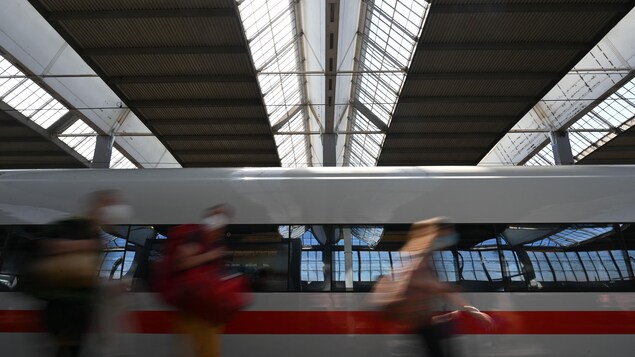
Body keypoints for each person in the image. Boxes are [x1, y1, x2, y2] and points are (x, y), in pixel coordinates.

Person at [30, 190, 132, 357]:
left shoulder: (102, 234)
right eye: (108, 205)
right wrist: (84, 245)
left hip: (84, 309)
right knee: (67, 350)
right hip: (62, 307)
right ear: (96, 206)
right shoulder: (70, 227)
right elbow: (42, 247)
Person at [372, 217, 493, 357]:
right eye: (448, 232)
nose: (452, 236)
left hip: (422, 323)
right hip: (419, 323)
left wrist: (472, 311)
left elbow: (436, 288)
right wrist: (451, 291)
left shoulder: (425, 256)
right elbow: (427, 283)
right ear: (436, 234)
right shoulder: (418, 257)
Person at [159, 204, 246, 357]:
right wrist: (210, 256)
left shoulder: (214, 241)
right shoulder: (197, 235)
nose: (218, 219)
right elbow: (180, 262)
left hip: (205, 310)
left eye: (222, 216)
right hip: (194, 311)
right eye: (215, 215)